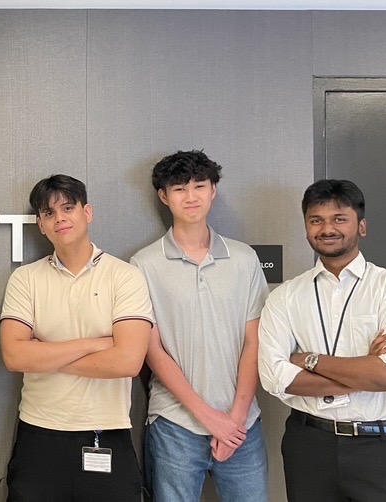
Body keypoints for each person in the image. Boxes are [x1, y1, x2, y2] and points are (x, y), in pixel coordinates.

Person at [258, 179, 386, 501]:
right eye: (316, 220)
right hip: (310, 446)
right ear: (306, 227)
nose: (327, 228)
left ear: (361, 226)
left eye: (339, 219)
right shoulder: (285, 297)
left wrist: (309, 360)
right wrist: (365, 372)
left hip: (383, 447)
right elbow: (274, 377)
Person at [0, 174, 153, 501]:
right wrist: (95, 344)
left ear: (88, 212)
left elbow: (127, 360)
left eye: (68, 208)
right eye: (49, 213)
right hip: (39, 432)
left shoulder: (125, 276)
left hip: (106, 431)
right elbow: (14, 357)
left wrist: (44, 355)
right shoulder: (25, 279)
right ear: (40, 224)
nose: (60, 219)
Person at [130, 151, 269, 501]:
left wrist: (234, 419)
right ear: (164, 196)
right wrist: (208, 417)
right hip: (175, 423)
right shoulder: (143, 264)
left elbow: (254, 341)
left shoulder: (244, 258)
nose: (190, 197)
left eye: (199, 186)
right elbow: (152, 349)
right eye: (179, 189)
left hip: (243, 425)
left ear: (213, 191)